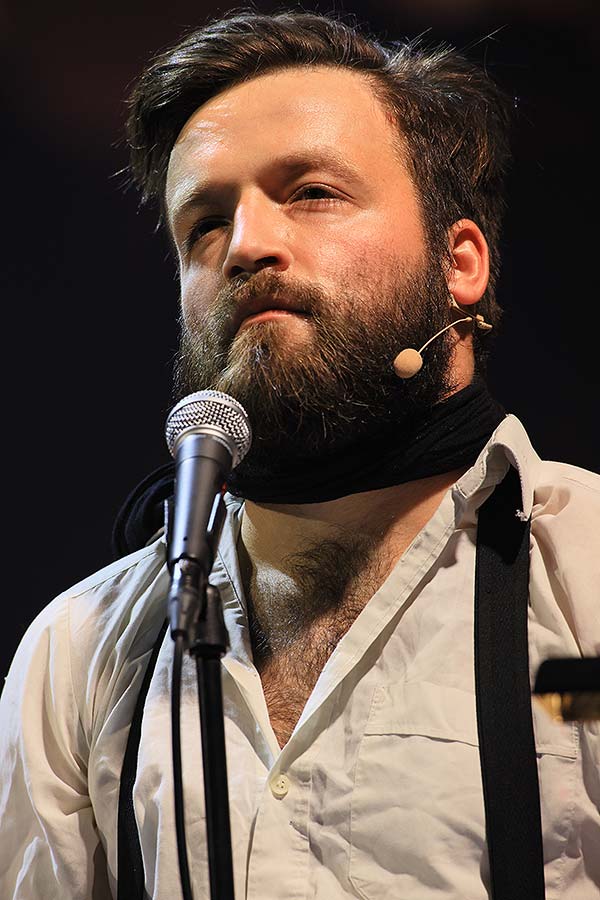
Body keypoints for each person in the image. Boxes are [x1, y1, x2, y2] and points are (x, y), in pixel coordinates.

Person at [1, 9, 598, 900]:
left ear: (460, 261)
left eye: (312, 192)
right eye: (204, 223)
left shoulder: (588, 573)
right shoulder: (79, 651)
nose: (245, 245)